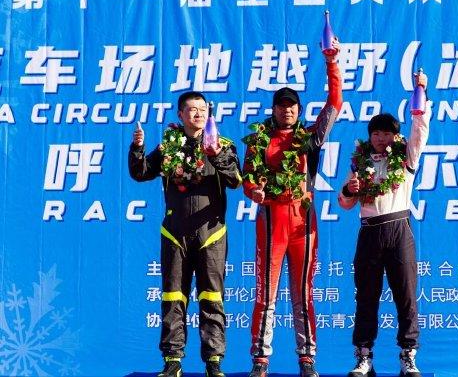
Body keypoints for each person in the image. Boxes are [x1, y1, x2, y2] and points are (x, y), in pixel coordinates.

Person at [241, 40, 342, 377]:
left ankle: (307, 359)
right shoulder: (259, 140)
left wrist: (332, 62)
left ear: (299, 110)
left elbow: (335, 104)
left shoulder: (310, 137)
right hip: (270, 222)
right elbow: (248, 177)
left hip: (303, 223)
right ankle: (260, 360)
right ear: (273, 109)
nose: (287, 110)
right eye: (281, 106)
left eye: (292, 106)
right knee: (265, 294)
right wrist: (254, 191)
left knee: (302, 293)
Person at [129, 91, 242, 377]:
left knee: (211, 296)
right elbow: (141, 173)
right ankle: (172, 361)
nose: (198, 114)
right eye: (192, 109)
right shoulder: (169, 147)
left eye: (202, 109)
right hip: (175, 233)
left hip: (211, 234)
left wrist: (217, 155)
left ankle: (213, 361)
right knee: (172, 296)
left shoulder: (223, 145)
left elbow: (235, 180)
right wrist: (138, 148)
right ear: (180, 115)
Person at [338, 71, 430, 377]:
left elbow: (420, 129)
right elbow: (345, 202)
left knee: (406, 296)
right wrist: (349, 189)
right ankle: (364, 356)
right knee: (365, 297)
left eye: (387, 133)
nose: (381, 138)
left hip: (399, 229)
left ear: (396, 136)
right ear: (370, 136)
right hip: (369, 233)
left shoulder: (406, 158)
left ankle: (408, 355)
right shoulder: (359, 163)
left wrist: (420, 90)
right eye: (376, 133)